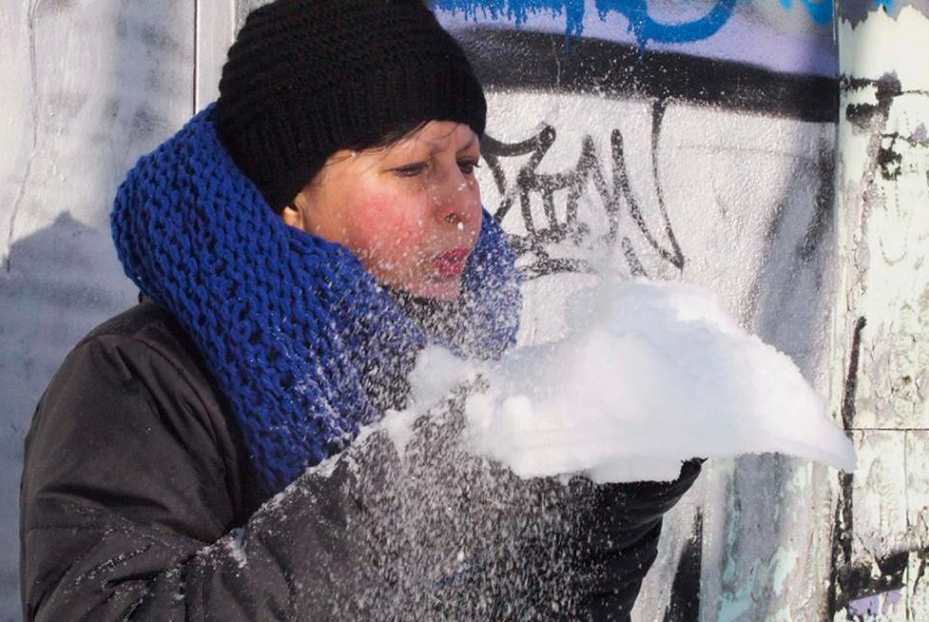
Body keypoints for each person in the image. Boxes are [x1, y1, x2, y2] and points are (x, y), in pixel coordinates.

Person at [19, 1, 700, 620]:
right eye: (412, 169)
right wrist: (396, 502)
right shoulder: (141, 381)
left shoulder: (458, 363)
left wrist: (609, 516)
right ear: (291, 196)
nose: (461, 204)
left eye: (466, 163)